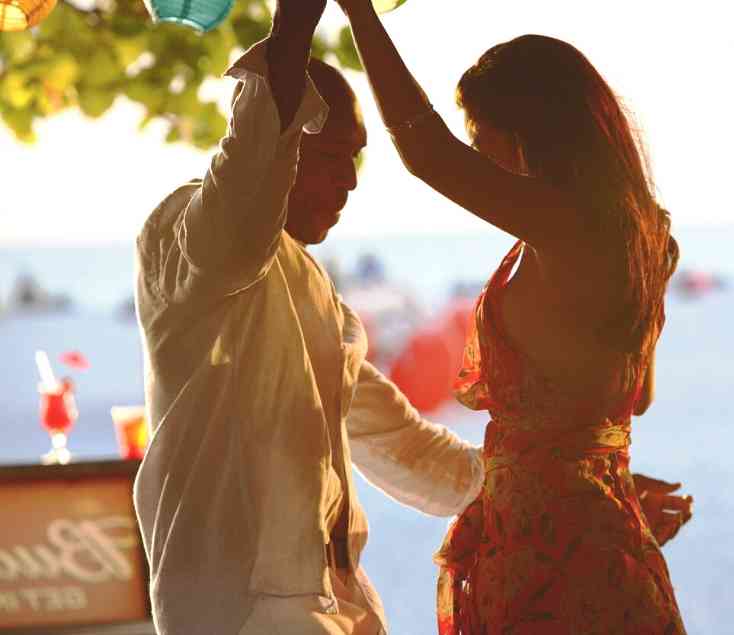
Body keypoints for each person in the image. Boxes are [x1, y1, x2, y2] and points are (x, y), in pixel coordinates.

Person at [335, 2, 692, 633]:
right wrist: (591, 472)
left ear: (527, 132)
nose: (475, 155)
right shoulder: (640, 236)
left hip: (549, 553)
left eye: (479, 136)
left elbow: (426, 153)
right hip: (603, 528)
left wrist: (358, 13)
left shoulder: (571, 226)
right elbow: (631, 402)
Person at [131, 0, 487, 632]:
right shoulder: (183, 233)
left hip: (334, 605)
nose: (350, 182)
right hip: (234, 607)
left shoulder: (317, 296)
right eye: (329, 156)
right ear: (284, 142)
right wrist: (292, 28)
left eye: (356, 158)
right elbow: (241, 202)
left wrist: (572, 487)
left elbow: (410, 450)